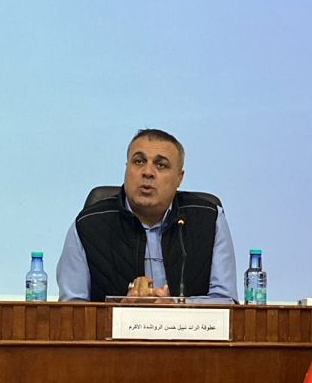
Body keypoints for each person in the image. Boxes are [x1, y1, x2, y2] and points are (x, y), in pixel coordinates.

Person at [56, 128, 237, 303]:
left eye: (161, 165)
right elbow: (71, 309)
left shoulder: (210, 219)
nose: (148, 172)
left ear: (179, 178)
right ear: (127, 168)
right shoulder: (88, 225)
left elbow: (225, 300)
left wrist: (176, 307)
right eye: (139, 161)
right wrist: (119, 312)